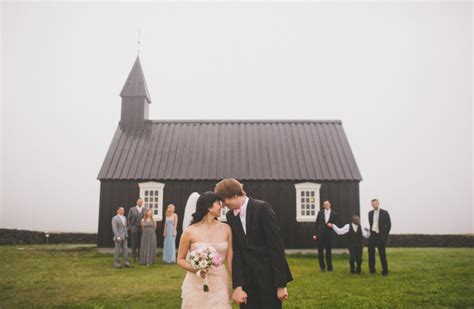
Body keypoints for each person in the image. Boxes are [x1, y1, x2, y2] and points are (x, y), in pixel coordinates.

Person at [215, 178, 293, 309]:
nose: (222, 204)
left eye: (223, 200)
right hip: (247, 283)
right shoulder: (230, 216)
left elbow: (276, 247)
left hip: (269, 281)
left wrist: (281, 285)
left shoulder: (262, 208)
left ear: (234, 195)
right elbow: (238, 252)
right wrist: (238, 286)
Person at [178, 192, 233, 309]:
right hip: (196, 282)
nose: (221, 206)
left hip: (220, 281)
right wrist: (196, 268)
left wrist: (235, 284)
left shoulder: (226, 229)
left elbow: (230, 260)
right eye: (218, 203)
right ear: (209, 207)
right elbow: (180, 259)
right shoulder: (189, 232)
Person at [368, 198, 391, 276]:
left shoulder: (385, 213)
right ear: (372, 205)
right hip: (373, 235)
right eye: (373, 204)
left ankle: (385, 271)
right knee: (371, 253)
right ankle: (372, 270)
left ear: (378, 203)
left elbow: (389, 225)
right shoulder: (370, 213)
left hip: (381, 236)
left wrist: (385, 236)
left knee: (382, 254)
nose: (374, 205)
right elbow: (372, 224)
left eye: (375, 203)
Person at [312, 200, 337, 272]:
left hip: (329, 235)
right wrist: (315, 234)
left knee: (328, 252)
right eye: (325, 204)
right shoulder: (320, 213)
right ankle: (322, 267)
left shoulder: (334, 214)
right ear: (323, 206)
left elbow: (335, 224)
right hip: (320, 234)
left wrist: (332, 225)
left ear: (330, 205)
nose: (326, 205)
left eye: (327, 204)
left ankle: (330, 268)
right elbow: (316, 224)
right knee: (320, 251)